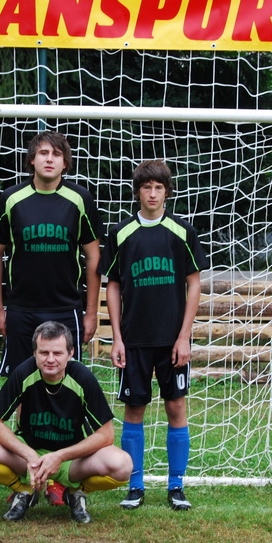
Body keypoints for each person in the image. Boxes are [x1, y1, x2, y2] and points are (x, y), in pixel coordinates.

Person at [100, 160, 208, 511]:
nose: (152, 193)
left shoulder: (182, 232)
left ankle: (176, 485)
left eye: (158, 188)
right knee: (134, 408)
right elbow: (113, 285)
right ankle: (135, 485)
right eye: (146, 187)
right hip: (134, 339)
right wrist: (117, 337)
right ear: (137, 192)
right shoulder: (120, 233)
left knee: (176, 406)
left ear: (167, 192)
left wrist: (184, 336)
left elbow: (194, 284)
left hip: (171, 339)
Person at [0, 321, 132, 524]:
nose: (50, 359)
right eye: (44, 353)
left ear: (70, 353)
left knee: (122, 465)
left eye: (57, 353)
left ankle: (73, 493)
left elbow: (106, 435)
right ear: (34, 353)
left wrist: (60, 456)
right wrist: (28, 454)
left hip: (71, 460)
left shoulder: (82, 377)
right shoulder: (24, 373)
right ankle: (25, 490)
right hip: (30, 457)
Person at [0, 131, 102, 377]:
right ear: (32, 159)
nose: (49, 159)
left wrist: (91, 313)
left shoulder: (80, 199)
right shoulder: (11, 198)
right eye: (43, 153)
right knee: (20, 384)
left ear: (65, 163)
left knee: (67, 383)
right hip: (21, 309)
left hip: (66, 309)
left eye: (56, 154)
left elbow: (93, 257)